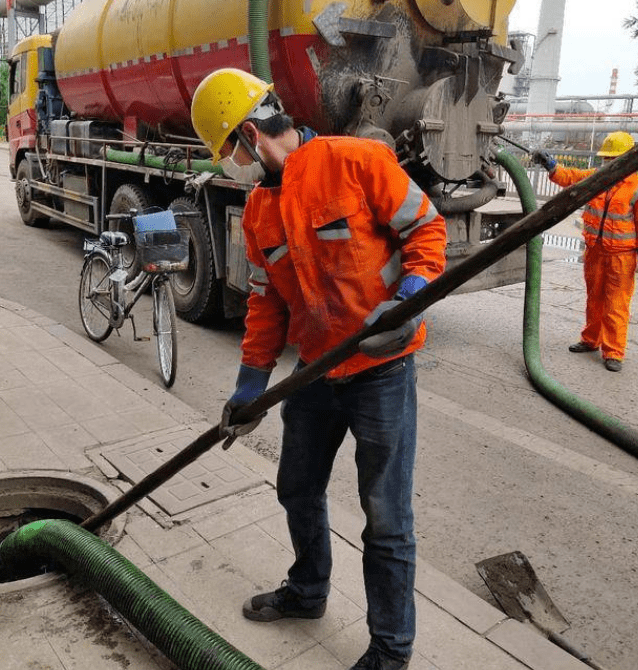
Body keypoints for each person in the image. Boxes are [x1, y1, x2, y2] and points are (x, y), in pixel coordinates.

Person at [190, 68, 447, 670]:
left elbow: (426, 227)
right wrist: (250, 384)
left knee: (386, 517)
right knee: (297, 488)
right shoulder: (259, 211)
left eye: (228, 149)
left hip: (382, 368)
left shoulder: (356, 162)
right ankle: (307, 593)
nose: (232, 163)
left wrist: (410, 295)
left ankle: (390, 648)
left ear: (251, 133)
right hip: (314, 371)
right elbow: (265, 301)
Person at [533, 132, 638, 372]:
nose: (608, 163)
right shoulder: (597, 178)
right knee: (594, 299)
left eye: (612, 159)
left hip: (621, 256)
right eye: (606, 159)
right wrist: (551, 165)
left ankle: (614, 351)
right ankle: (591, 340)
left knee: (616, 304)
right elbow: (570, 177)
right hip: (594, 251)